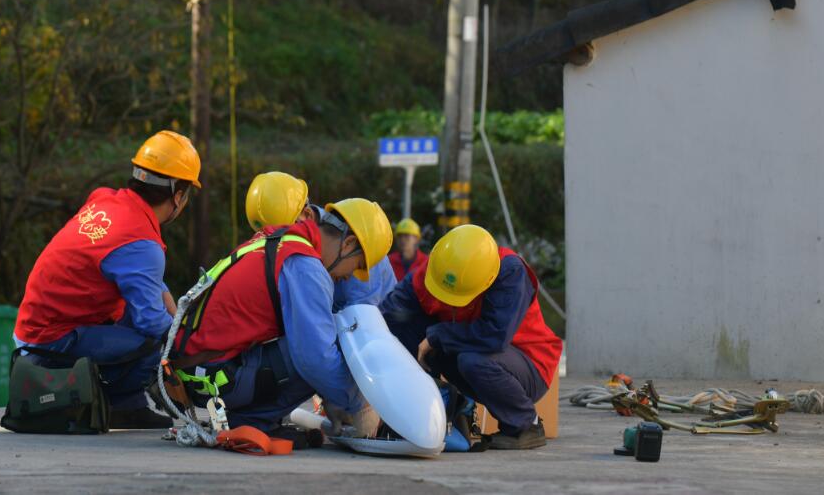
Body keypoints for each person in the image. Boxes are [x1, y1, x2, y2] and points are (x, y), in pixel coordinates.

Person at [169, 197, 393, 441]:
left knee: (312, 341)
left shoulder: (281, 240)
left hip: (195, 373)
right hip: (214, 379)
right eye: (356, 266)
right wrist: (360, 403)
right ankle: (254, 422)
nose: (349, 277)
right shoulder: (306, 267)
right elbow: (315, 360)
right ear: (348, 243)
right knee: (326, 347)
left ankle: (253, 417)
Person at [14, 131, 200, 421]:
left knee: (145, 314)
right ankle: (120, 405)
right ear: (177, 195)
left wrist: (176, 314)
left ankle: (129, 403)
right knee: (157, 340)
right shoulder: (141, 243)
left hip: (33, 330)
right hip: (49, 345)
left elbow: (146, 279)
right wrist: (188, 344)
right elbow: (152, 322)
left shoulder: (105, 201)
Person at [380, 225, 563, 450]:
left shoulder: (510, 271)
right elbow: (391, 313)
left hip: (528, 364)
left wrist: (438, 335)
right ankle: (444, 405)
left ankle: (526, 425)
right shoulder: (437, 269)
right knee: (409, 327)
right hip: (473, 351)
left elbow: (494, 336)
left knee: (472, 360)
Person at [244, 171, 395, 309]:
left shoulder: (360, 246)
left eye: (285, 235)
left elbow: (361, 321)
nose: (281, 245)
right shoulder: (323, 245)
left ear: (308, 215)